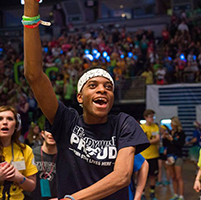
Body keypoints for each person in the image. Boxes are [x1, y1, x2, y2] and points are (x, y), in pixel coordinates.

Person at [23, 1, 150, 199]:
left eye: (108, 87)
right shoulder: (66, 121)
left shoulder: (124, 123)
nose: (102, 90)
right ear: (80, 97)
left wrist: (73, 199)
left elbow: (122, 177)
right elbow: (34, 75)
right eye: (93, 86)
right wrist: (31, 8)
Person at [0, 105, 38, 199]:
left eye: (9, 119)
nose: (5, 122)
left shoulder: (25, 150)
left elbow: (32, 187)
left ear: (17, 125)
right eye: (0, 119)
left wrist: (19, 178)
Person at [31, 129, 57, 200]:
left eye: (55, 130)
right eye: (49, 131)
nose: (51, 134)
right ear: (42, 134)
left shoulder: (65, 157)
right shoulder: (31, 154)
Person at [164, 117, 186, 200]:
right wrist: (164, 138)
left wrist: (172, 140)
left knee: (178, 176)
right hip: (169, 156)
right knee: (172, 176)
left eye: (172, 124)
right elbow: (165, 144)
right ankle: (175, 193)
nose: (171, 125)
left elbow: (181, 144)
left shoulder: (181, 133)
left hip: (178, 156)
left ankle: (181, 195)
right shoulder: (169, 132)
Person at [140, 109, 160, 200]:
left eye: (153, 117)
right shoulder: (141, 127)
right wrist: (151, 141)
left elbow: (157, 139)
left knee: (153, 175)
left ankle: (152, 193)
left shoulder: (155, 126)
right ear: (146, 117)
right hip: (143, 156)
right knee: (143, 176)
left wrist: (148, 142)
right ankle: (142, 193)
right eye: (151, 117)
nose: (152, 119)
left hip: (154, 155)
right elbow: (141, 141)